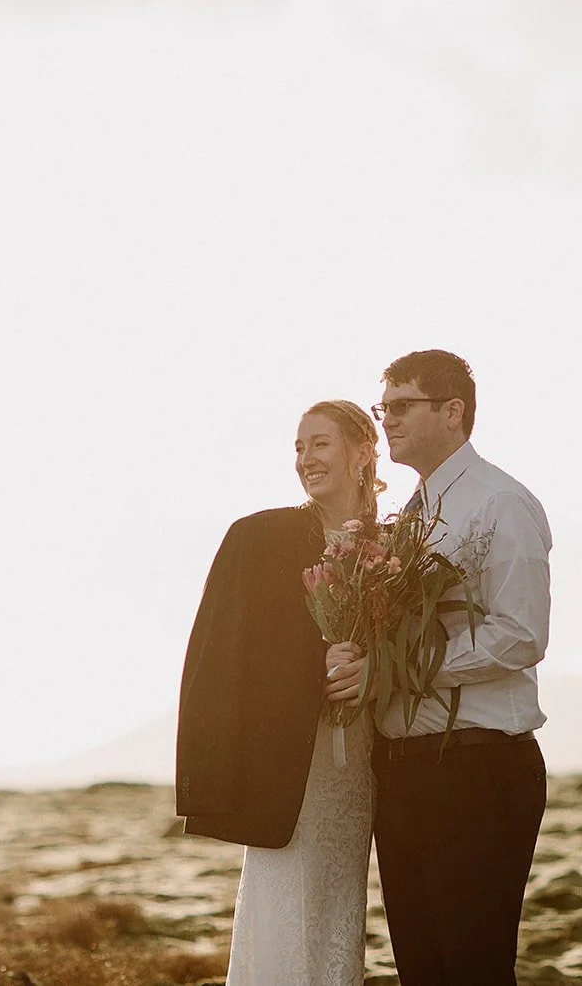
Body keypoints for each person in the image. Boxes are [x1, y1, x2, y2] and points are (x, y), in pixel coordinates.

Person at [325, 349, 551, 986]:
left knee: (471, 969)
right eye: (383, 407)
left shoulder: (500, 502)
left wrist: (399, 673)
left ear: (452, 412)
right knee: (422, 971)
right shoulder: (412, 513)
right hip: (406, 773)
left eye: (401, 406)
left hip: (476, 768)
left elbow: (520, 634)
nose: (387, 421)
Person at [176, 400, 382, 986]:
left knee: (341, 905)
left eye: (319, 443)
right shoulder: (260, 536)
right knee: (283, 900)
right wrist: (317, 666)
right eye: (298, 447)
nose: (305, 459)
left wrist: (373, 661)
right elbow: (227, 655)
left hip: (362, 760)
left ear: (362, 451)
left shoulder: (395, 544)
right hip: (289, 759)